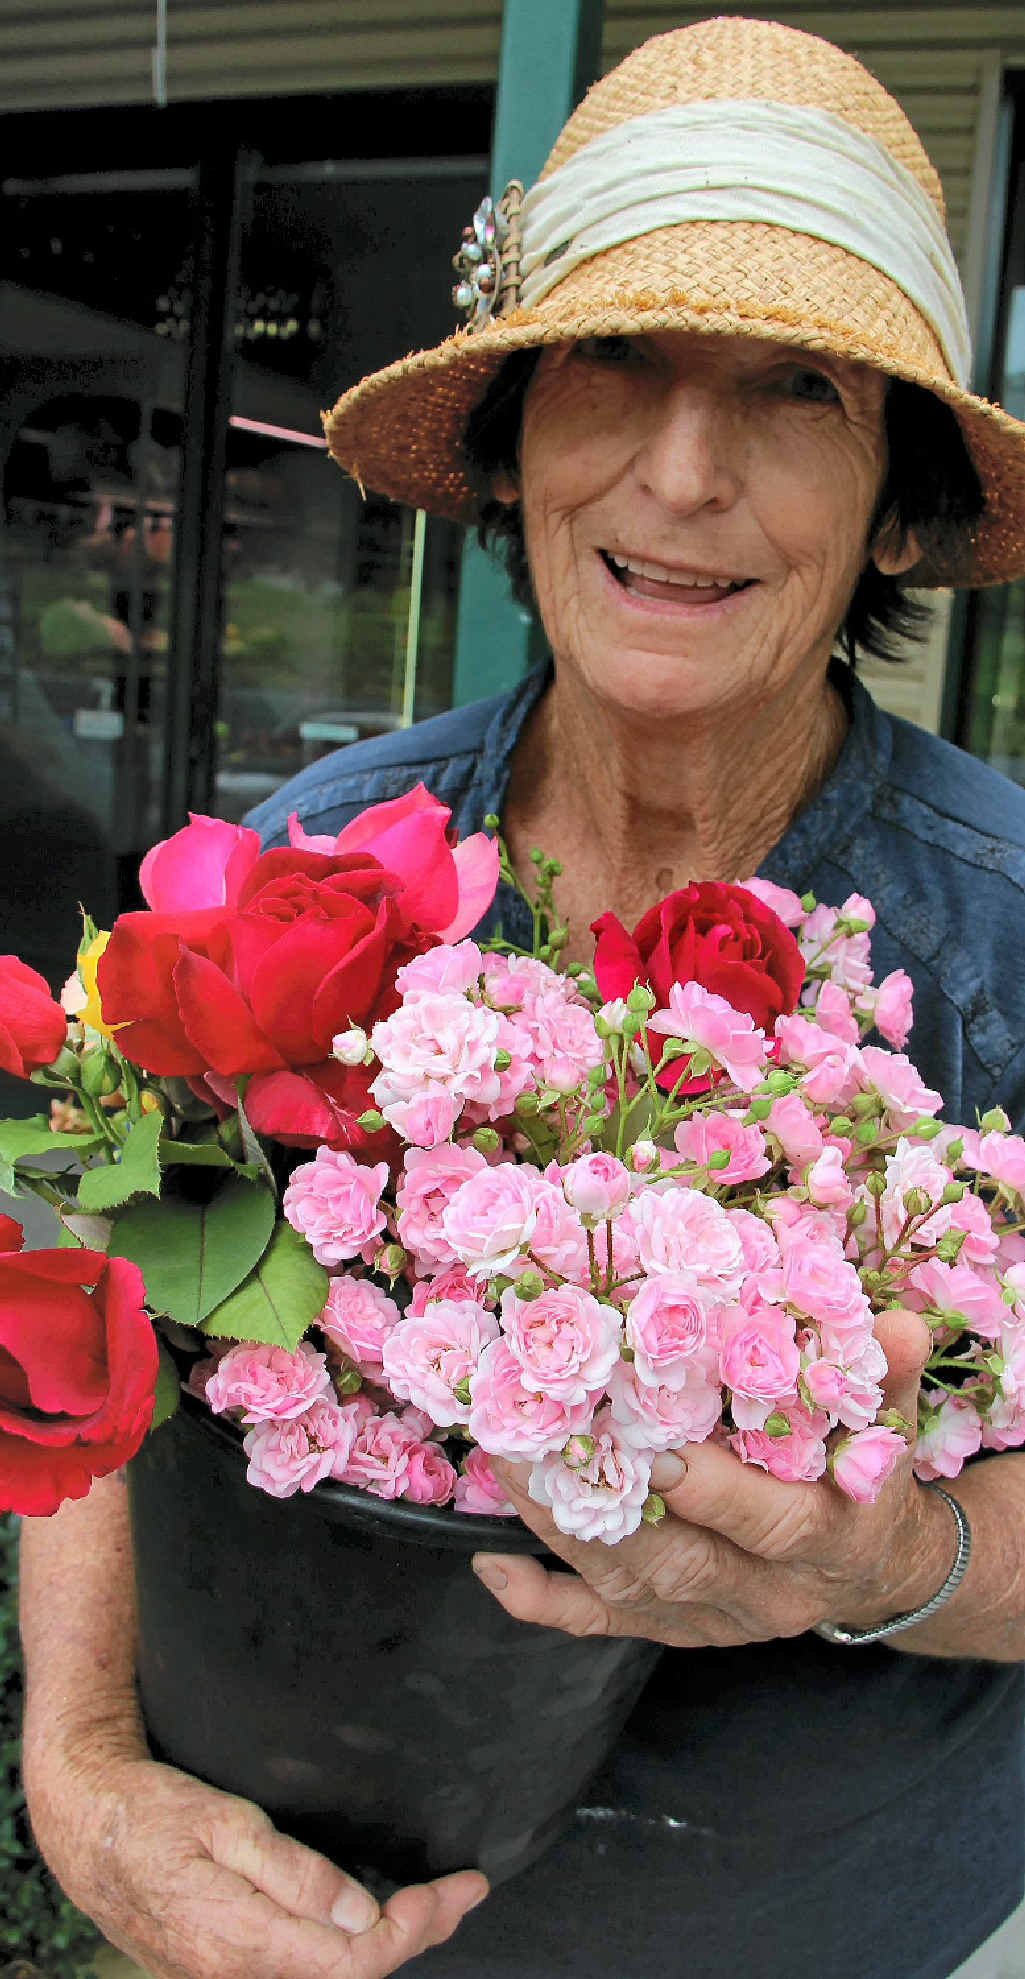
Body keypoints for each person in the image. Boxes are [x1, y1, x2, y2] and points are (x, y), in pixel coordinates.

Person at [18, 17, 1025, 1979]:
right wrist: (84, 1767)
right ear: (512, 434)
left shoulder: (1004, 941)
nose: (680, 470)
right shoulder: (318, 865)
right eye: (614, 363)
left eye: (794, 392)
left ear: (901, 505)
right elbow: (97, 1322)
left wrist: (905, 1557)